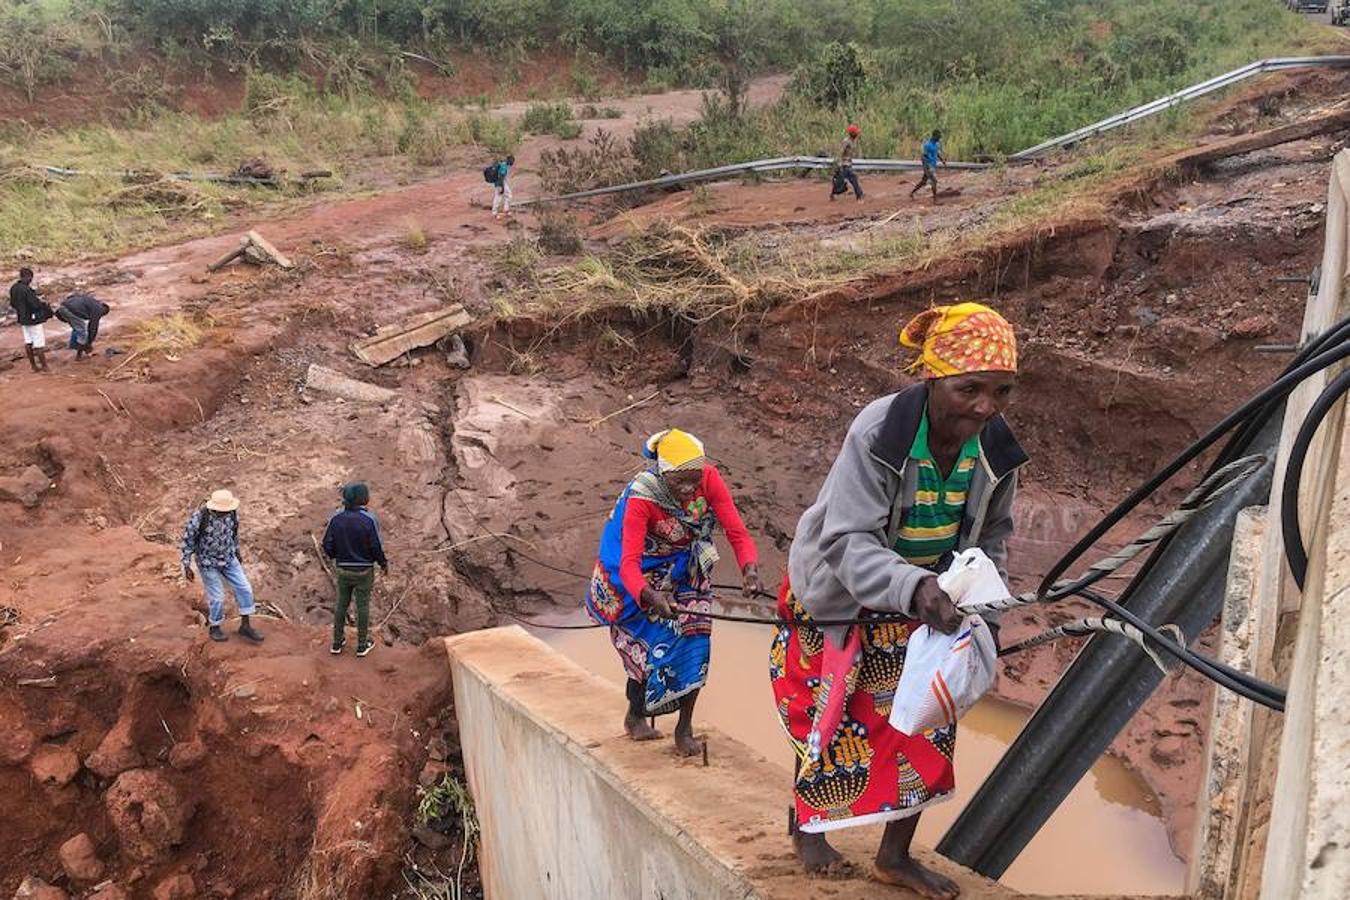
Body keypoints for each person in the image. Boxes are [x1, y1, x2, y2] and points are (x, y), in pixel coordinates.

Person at [771, 302, 1025, 898]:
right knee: (830, 720)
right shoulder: (880, 433)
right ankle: (805, 824)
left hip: (929, 603)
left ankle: (894, 857)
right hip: (842, 595)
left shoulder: (996, 449)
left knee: (926, 722)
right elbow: (846, 538)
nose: (986, 407)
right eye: (971, 389)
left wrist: (987, 611)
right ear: (934, 377)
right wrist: (913, 587)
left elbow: (993, 538)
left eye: (1001, 392)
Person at [586, 429, 763, 756]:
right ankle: (636, 714)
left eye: (693, 481)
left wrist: (749, 570)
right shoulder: (643, 496)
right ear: (663, 474)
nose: (688, 490)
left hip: (687, 564)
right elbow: (628, 563)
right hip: (643, 572)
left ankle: (684, 728)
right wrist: (650, 596)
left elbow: (736, 531)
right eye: (680, 483)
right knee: (652, 645)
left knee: (695, 642)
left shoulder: (708, 479)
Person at [180, 489, 264, 644]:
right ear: (213, 508)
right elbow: (187, 540)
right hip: (208, 562)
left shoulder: (232, 514)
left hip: (229, 558)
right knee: (217, 597)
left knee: (245, 588)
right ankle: (215, 626)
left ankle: (245, 625)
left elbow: (234, 533)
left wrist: (237, 551)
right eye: (221, 512)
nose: (224, 514)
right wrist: (186, 564)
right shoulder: (200, 518)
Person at [322, 482, 388, 657]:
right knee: (362, 606)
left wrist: (336, 555)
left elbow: (326, 544)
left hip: (343, 568)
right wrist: (382, 563)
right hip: (364, 570)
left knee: (341, 604)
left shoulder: (336, 518)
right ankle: (362, 644)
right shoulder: (369, 520)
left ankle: (337, 642)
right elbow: (376, 547)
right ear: (363, 499)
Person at [9, 267, 51, 373]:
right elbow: (34, 305)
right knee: (39, 343)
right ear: (28, 277)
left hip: (22, 319)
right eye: (31, 278)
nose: (31, 280)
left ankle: (33, 366)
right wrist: (41, 303)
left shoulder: (14, 288)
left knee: (28, 342)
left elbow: (13, 304)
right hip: (33, 319)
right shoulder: (27, 290)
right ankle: (45, 366)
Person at [57, 292, 111, 360]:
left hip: (62, 307)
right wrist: (89, 342)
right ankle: (79, 356)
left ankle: (73, 346)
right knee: (83, 332)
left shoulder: (92, 302)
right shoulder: (99, 309)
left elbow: (73, 296)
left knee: (77, 328)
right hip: (71, 310)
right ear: (104, 311)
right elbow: (93, 327)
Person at [911, 129, 946, 203]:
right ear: (934, 136)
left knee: (923, 182)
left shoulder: (937, 144)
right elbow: (923, 157)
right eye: (938, 137)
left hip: (932, 165)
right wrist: (927, 167)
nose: (939, 139)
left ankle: (912, 193)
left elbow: (937, 153)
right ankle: (935, 200)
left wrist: (942, 160)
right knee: (934, 181)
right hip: (928, 166)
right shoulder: (927, 145)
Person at [831, 124, 863, 202]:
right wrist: (839, 164)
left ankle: (833, 195)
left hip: (848, 164)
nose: (857, 134)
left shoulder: (852, 141)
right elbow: (840, 152)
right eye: (856, 133)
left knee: (839, 181)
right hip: (844, 165)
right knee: (853, 179)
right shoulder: (846, 141)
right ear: (852, 133)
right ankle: (859, 196)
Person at [491, 154, 515, 219]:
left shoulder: (504, 165)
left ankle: (506, 209)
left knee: (508, 195)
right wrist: (502, 187)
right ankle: (495, 213)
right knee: (498, 196)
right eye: (512, 161)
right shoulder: (504, 167)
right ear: (508, 160)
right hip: (499, 183)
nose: (512, 162)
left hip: (501, 182)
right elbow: (501, 177)